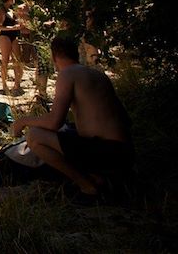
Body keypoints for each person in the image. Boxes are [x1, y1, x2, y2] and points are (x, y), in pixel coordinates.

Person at [12, 36, 133, 201]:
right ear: (76, 53)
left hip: (106, 152)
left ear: (54, 56)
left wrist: (23, 121)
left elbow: (54, 122)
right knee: (69, 131)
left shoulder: (67, 74)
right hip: (125, 152)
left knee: (35, 136)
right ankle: (99, 177)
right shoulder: (97, 75)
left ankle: (87, 186)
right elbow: (125, 119)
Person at [0, 0, 23, 95]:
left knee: (17, 59)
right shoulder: (1, 10)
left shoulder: (12, 10)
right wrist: (11, 28)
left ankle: (17, 83)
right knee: (5, 60)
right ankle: (4, 84)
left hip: (15, 35)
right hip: (5, 36)